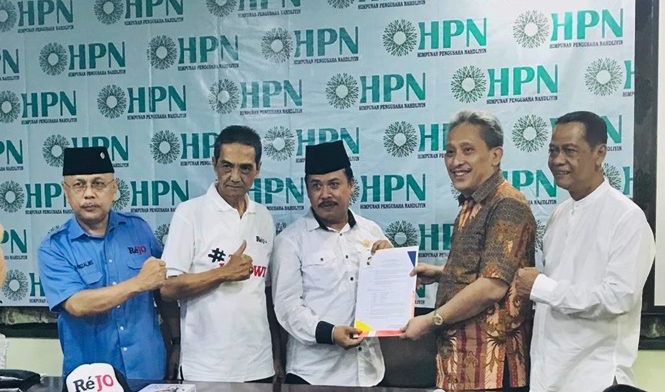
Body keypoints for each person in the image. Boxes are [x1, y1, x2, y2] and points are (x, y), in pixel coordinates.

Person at [515, 111, 655, 392]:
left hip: (594, 378)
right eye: (553, 150)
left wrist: (542, 288)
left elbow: (618, 298)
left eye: (569, 151)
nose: (557, 160)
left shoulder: (627, 218)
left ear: (599, 153)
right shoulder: (559, 215)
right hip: (548, 376)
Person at [402, 110, 535, 391]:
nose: (455, 161)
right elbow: (490, 270)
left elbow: (492, 286)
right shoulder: (470, 204)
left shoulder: (507, 204)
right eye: (450, 152)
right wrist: (442, 274)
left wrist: (431, 320)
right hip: (459, 363)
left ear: (495, 155)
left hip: (492, 369)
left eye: (468, 150)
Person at [38, 147, 178, 379]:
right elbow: (77, 304)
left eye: (99, 184)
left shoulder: (138, 229)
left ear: (114, 189)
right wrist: (139, 283)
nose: (89, 194)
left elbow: (163, 291)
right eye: (79, 185)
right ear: (66, 191)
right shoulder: (54, 247)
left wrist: (177, 341)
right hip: (91, 378)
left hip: (148, 369)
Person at [160, 125, 280, 382]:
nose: (235, 177)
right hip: (206, 368)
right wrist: (223, 273)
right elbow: (168, 288)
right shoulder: (190, 213)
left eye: (245, 168)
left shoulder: (264, 217)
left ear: (258, 169)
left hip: (259, 366)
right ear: (214, 164)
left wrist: (277, 355)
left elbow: (265, 293)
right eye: (227, 166)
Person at [271, 140, 392, 386]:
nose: (325, 194)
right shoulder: (290, 241)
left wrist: (392, 265)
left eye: (334, 184)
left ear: (351, 185)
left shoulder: (372, 232)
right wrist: (330, 333)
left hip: (368, 372)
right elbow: (287, 307)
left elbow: (390, 296)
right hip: (313, 375)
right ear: (307, 190)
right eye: (316, 186)